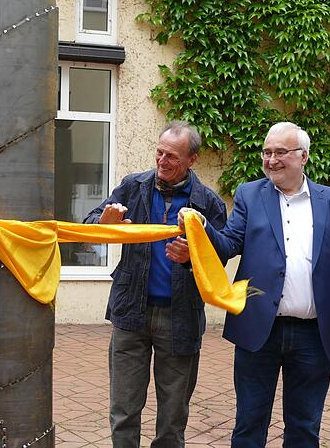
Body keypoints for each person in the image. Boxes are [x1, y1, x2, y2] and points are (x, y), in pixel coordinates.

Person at [179, 122, 330, 447]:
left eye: (280, 152)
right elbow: (227, 245)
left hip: (315, 335)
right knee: (249, 425)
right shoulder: (249, 195)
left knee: (304, 428)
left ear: (303, 156)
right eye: (266, 152)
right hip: (259, 332)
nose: (271, 160)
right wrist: (200, 226)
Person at [84, 121, 227, 447]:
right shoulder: (133, 186)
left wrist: (191, 257)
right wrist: (103, 224)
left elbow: (222, 256)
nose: (162, 161)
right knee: (123, 410)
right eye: (159, 152)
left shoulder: (208, 202)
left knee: (173, 417)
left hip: (181, 318)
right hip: (130, 313)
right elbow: (90, 225)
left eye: (172, 156)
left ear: (192, 159)